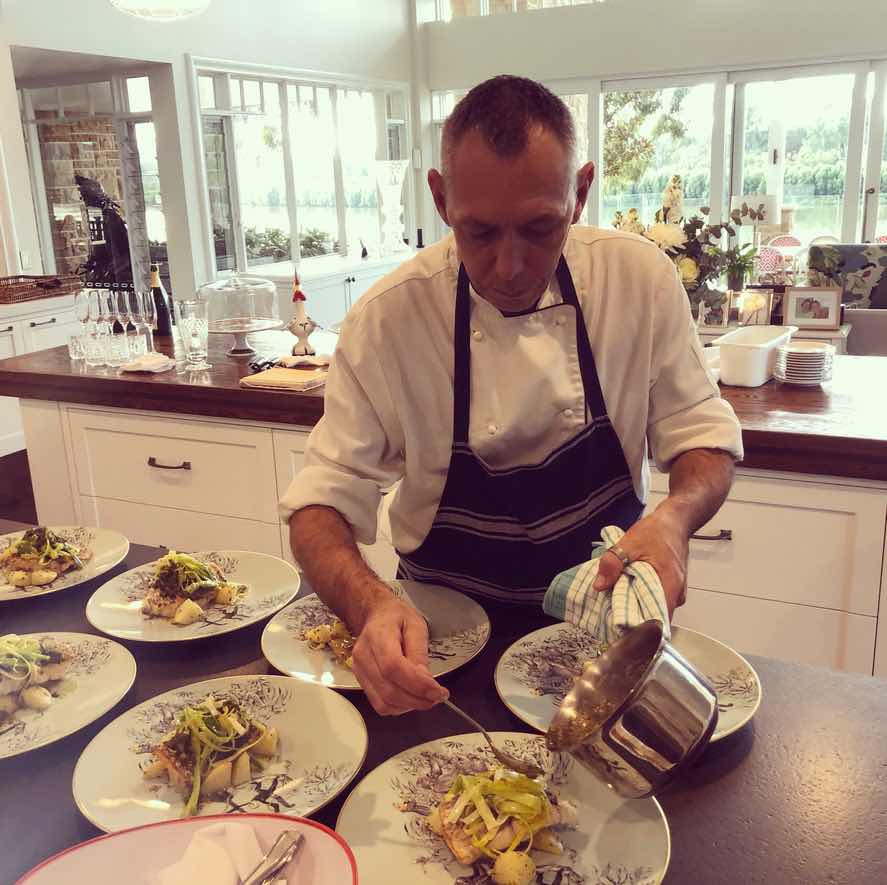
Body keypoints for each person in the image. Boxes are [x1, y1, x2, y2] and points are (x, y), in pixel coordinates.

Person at [281, 76, 743, 716]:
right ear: (441, 199)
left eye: (538, 228)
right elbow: (319, 503)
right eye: (479, 232)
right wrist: (370, 605)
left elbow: (702, 436)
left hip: (603, 648)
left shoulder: (637, 280)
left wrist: (675, 518)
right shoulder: (389, 320)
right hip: (437, 653)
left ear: (579, 193)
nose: (509, 266)